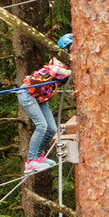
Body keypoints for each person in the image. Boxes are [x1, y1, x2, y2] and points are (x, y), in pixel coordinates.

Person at [19, 33, 73, 174]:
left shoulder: (68, 64)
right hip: (27, 94)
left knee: (51, 129)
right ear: (66, 48)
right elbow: (55, 71)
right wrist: (71, 71)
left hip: (40, 98)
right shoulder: (57, 62)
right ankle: (31, 161)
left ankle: (39, 157)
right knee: (42, 126)